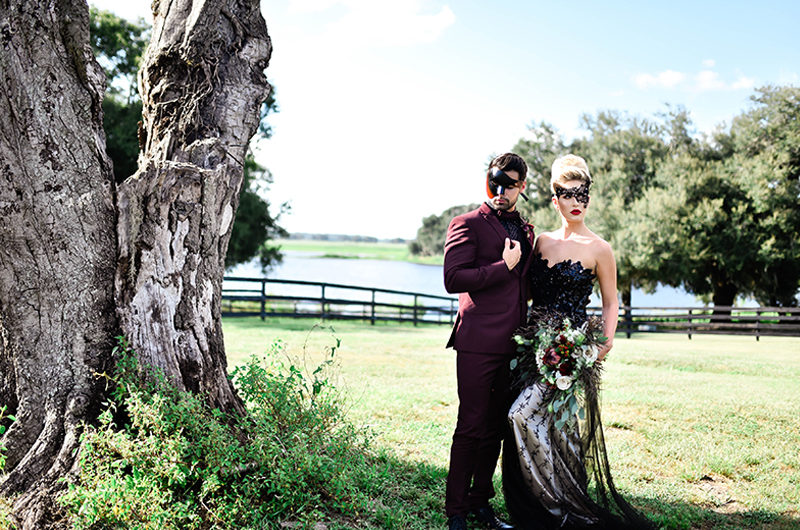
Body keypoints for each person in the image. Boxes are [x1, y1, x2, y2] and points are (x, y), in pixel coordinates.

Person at [503, 154, 654, 529]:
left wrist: (603, 342)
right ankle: (545, 507)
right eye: (567, 195)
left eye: (582, 194)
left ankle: (565, 507)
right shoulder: (540, 241)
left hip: (570, 350)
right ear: (555, 200)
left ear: (588, 198)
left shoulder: (599, 248)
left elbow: (610, 300)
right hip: (531, 348)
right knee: (540, 424)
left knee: (546, 424)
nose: (576, 202)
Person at [443, 153, 535, 530]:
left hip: (514, 347)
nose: (499, 191)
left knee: (497, 427)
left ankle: (482, 502)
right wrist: (503, 267)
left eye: (509, 184)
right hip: (477, 342)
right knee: (471, 425)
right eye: (494, 183)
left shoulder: (528, 232)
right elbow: (454, 279)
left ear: (522, 187)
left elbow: (525, 287)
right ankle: (456, 511)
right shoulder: (466, 224)